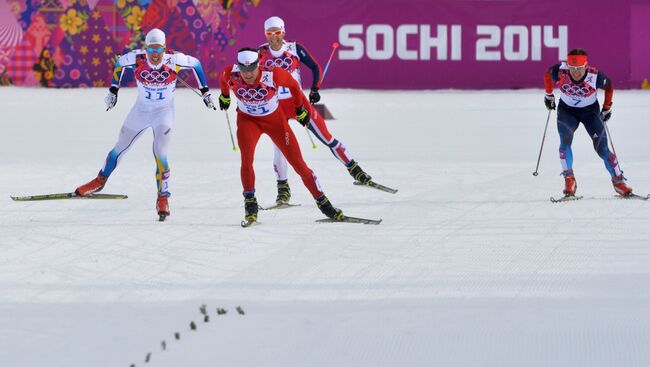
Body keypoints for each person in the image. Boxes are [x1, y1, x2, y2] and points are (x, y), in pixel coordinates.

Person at [74, 28, 215, 219]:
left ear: (164, 49)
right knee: (119, 147)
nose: (155, 55)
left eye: (159, 50)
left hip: (163, 113)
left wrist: (205, 92)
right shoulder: (136, 58)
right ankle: (100, 180)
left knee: (160, 153)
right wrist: (113, 91)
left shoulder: (174, 60)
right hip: (141, 111)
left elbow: (196, 64)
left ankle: (163, 197)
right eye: (151, 50)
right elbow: (119, 63)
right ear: (145, 48)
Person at [218, 48, 344, 223]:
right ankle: (250, 205)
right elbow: (223, 80)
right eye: (243, 70)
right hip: (248, 121)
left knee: (299, 164)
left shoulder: (273, 74)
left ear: (258, 65)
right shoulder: (230, 73)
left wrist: (300, 108)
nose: (247, 75)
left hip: (275, 122)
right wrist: (225, 96)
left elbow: (293, 85)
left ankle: (324, 204)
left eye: (251, 69)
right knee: (246, 161)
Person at [257, 16, 374, 205]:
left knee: (327, 137)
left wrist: (315, 89)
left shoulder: (294, 48)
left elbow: (315, 67)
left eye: (277, 32)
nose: (274, 37)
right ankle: (283, 190)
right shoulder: (260, 54)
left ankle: (355, 170)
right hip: (276, 108)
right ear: (265, 34)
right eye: (270, 33)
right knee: (279, 149)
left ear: (283, 32)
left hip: (299, 104)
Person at [543, 48, 633, 197]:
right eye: (572, 68)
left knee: (602, 148)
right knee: (565, 141)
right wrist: (549, 95)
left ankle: (619, 182)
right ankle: (569, 180)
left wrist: (607, 108)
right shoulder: (561, 71)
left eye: (579, 69)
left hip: (590, 112)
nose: (575, 72)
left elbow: (609, 86)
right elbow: (547, 73)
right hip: (567, 111)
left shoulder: (594, 75)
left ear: (586, 66)